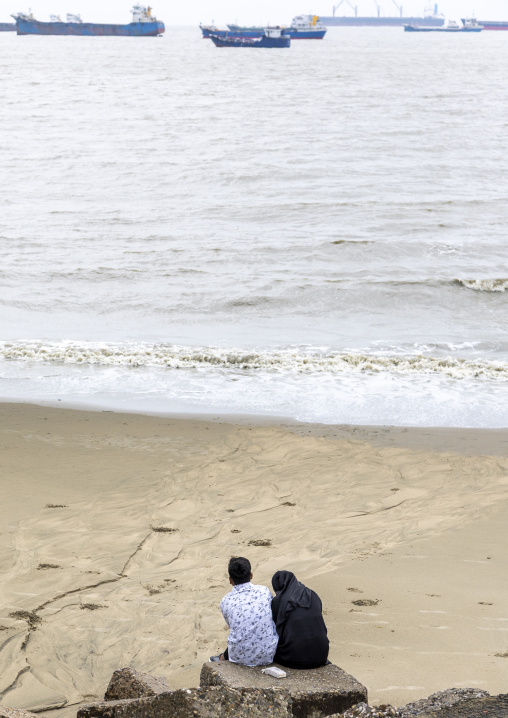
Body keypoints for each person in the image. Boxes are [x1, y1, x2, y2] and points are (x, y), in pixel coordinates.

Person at [209, 556, 278, 666]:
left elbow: (234, 626)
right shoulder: (264, 591)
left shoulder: (226, 600)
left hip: (238, 658)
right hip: (269, 654)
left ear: (230, 580)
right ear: (251, 575)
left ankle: (223, 657)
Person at [271, 570, 329, 669]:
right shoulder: (312, 595)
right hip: (322, 654)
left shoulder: (278, 602)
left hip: (293, 657)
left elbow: (276, 628)